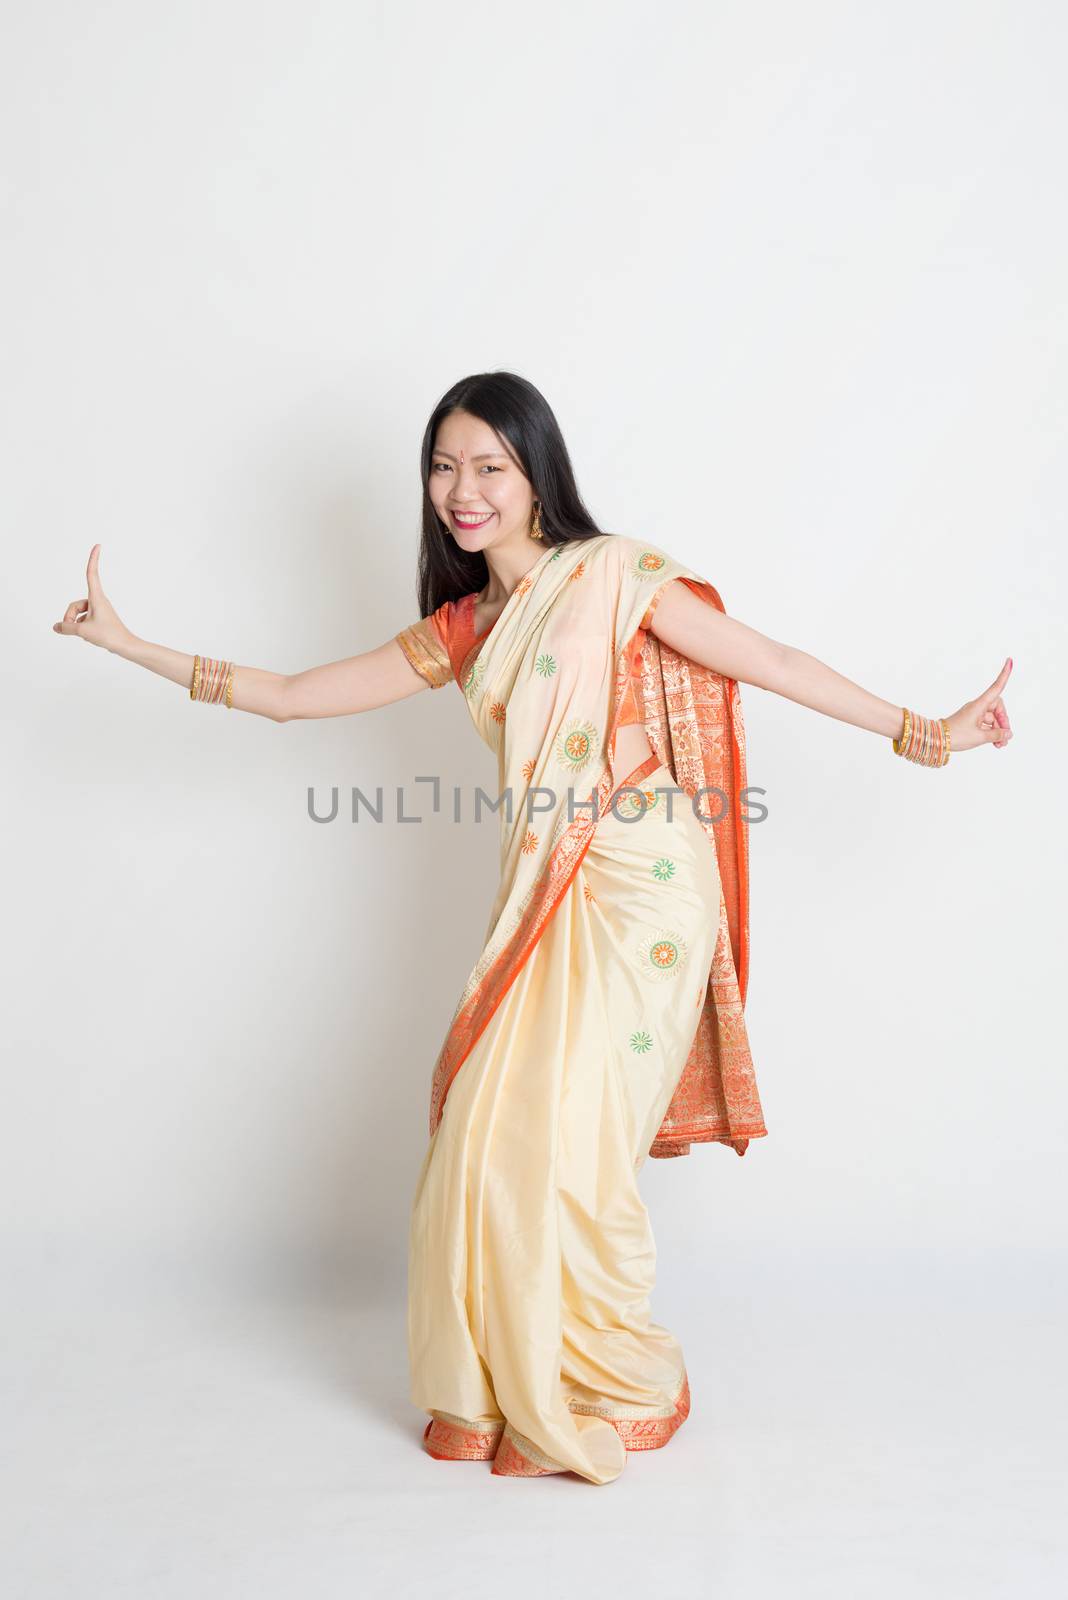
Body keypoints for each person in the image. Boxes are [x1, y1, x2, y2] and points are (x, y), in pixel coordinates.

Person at [52, 370, 1014, 1485]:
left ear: (535, 472)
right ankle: (513, 1378)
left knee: (577, 1141)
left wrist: (929, 734)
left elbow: (774, 662)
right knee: (485, 1134)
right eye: (445, 466)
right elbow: (291, 693)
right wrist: (129, 644)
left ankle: (620, 1373)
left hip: (647, 887)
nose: (464, 490)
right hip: (548, 901)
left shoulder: (611, 576)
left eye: (490, 467)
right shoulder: (467, 627)